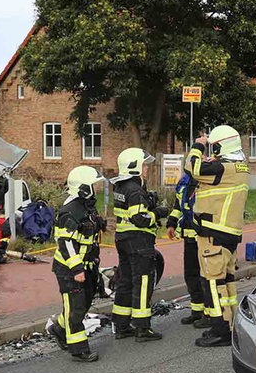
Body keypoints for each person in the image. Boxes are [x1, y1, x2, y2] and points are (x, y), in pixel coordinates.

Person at [188, 125, 251, 347]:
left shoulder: (222, 168)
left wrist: (198, 145)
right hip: (228, 232)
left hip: (214, 233)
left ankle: (220, 329)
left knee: (213, 282)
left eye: (215, 147)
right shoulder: (238, 167)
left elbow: (192, 168)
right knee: (227, 281)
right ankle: (230, 324)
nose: (213, 152)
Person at [47, 166, 106, 361]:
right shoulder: (69, 212)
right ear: (83, 188)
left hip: (86, 266)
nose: (96, 188)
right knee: (76, 307)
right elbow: (66, 243)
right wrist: (76, 269)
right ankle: (79, 349)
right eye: (93, 185)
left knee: (83, 303)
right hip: (69, 269)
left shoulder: (86, 206)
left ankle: (59, 329)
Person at [111, 147, 169, 342]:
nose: (146, 168)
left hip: (123, 240)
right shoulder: (135, 189)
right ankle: (142, 328)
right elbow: (139, 218)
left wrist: (148, 201)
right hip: (139, 242)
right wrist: (158, 213)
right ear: (134, 166)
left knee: (125, 282)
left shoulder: (120, 186)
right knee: (143, 283)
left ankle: (121, 326)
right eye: (144, 165)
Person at [167, 142, 208, 327]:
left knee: (206, 275)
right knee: (190, 274)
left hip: (204, 237)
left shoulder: (206, 181)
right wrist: (171, 222)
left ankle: (209, 312)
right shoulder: (183, 183)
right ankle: (196, 310)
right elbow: (178, 206)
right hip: (189, 237)